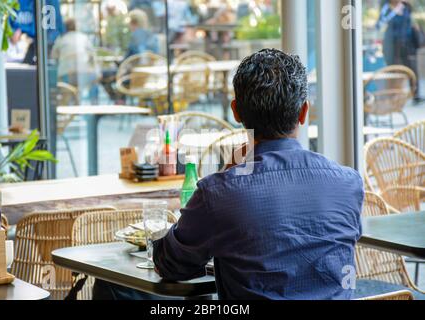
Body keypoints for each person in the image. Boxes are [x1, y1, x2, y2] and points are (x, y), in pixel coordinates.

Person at [92, 49, 364, 300]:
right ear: (304, 111)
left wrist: (225, 175)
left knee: (112, 287)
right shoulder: (348, 183)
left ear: (236, 111)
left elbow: (171, 265)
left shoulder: (220, 192)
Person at [51, 19, 101, 104]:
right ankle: (94, 105)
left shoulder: (61, 39)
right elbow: (92, 55)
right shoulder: (84, 37)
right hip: (84, 72)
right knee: (94, 83)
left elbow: (54, 56)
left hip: (66, 74)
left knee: (65, 88)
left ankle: (68, 106)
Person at [10, 0, 64, 65]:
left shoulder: (50, 3)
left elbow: (56, 30)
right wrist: (14, 31)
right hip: (23, 49)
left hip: (45, 46)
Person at [377, 0, 421, 72]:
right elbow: (379, 25)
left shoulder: (406, 7)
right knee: (394, 71)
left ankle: (413, 83)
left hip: (407, 46)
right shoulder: (386, 8)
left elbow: (410, 23)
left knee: (412, 71)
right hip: (392, 46)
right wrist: (394, 12)